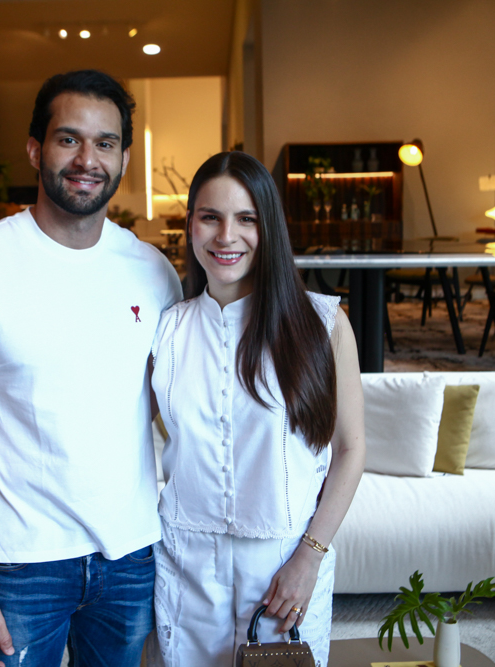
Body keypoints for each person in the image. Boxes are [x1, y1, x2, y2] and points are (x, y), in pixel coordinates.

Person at [0, 70, 182, 667]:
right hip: (21, 565)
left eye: (105, 143)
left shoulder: (155, 273)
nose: (87, 159)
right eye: (68, 139)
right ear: (35, 150)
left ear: (124, 158)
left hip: (130, 556)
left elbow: (169, 413)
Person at [149, 151, 366, 667]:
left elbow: (351, 450)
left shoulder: (323, 324)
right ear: (190, 225)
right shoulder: (167, 329)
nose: (227, 236)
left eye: (246, 219)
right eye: (211, 217)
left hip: (284, 569)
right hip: (184, 567)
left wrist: (309, 557)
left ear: (269, 227)